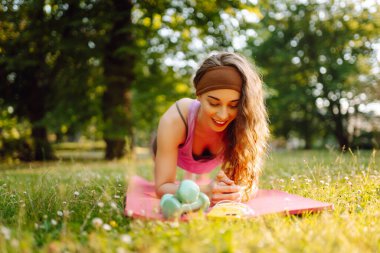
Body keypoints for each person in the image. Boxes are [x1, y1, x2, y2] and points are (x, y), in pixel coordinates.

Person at [153, 52, 269, 205]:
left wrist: (236, 192)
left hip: (205, 164)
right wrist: (204, 191)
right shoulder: (175, 119)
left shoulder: (241, 124)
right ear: (198, 95)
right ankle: (190, 177)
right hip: (173, 151)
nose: (223, 115)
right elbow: (162, 187)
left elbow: (248, 185)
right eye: (214, 103)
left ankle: (193, 178)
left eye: (234, 105)